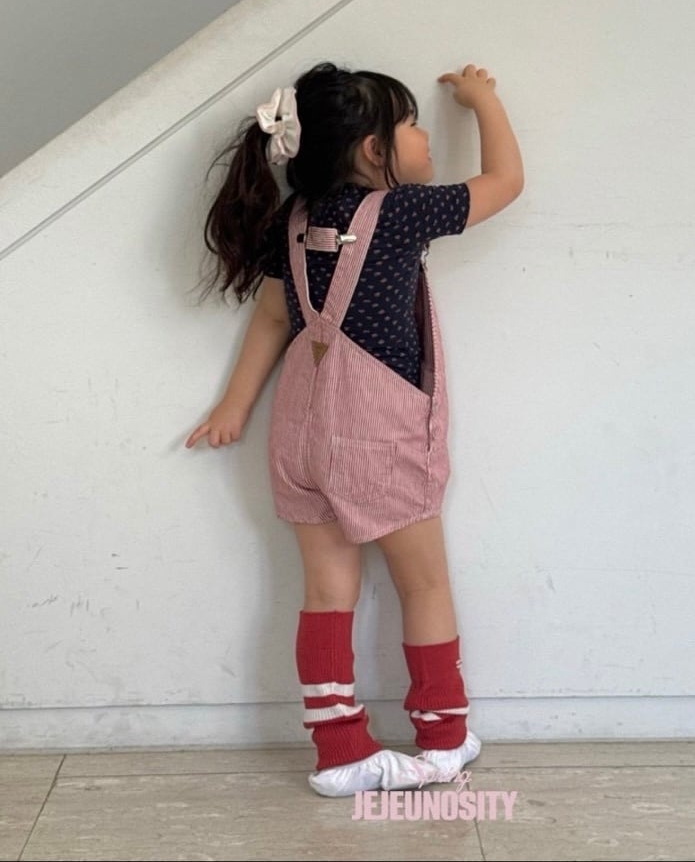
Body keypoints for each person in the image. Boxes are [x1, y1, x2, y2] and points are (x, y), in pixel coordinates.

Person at [186, 61, 523, 797]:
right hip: (376, 435)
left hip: (301, 432)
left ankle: (339, 752)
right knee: (423, 584)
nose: (424, 137)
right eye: (411, 126)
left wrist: (235, 405)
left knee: (325, 590)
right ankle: (443, 738)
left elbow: (272, 317)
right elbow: (505, 181)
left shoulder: (294, 220)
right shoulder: (401, 213)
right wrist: (483, 101)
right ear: (374, 150)